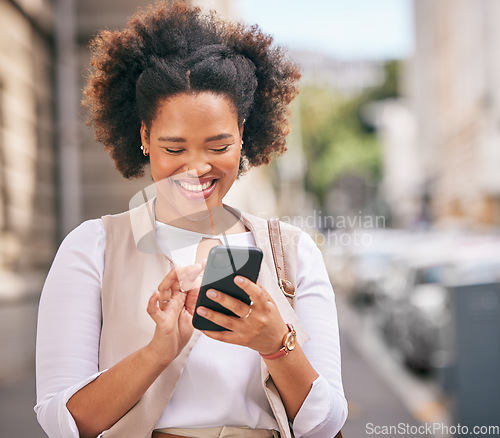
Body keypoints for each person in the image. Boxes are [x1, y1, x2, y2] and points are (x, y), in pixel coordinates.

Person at [34, 2, 347, 437]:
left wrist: (277, 346)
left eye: (218, 147)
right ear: (144, 137)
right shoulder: (93, 247)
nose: (196, 168)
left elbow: (326, 425)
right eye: (174, 149)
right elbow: (63, 422)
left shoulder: (290, 253)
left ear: (243, 134)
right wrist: (156, 353)